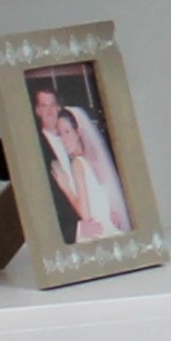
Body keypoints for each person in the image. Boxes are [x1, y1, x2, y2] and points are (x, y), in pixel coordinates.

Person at [31, 75, 131, 243]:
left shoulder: (82, 152)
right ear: (37, 110)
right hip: (74, 234)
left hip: (101, 226)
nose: (49, 112)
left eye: (53, 105)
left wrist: (111, 209)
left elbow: (102, 184)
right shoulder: (36, 151)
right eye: (43, 106)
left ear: (60, 107)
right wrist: (75, 228)